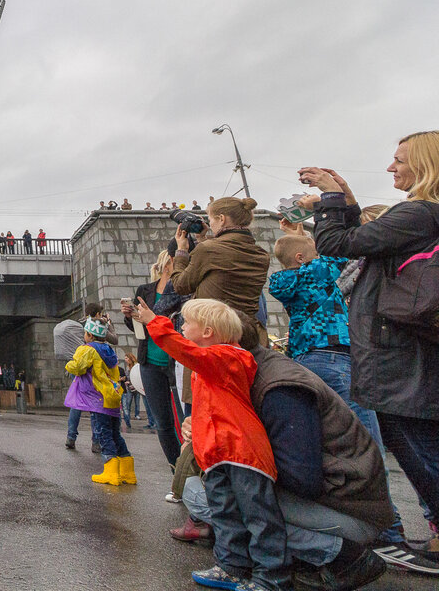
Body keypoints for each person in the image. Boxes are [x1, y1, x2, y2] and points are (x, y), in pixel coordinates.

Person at [175, 321, 395, 591]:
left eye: (189, 329)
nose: (183, 337)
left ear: (218, 340)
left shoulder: (279, 388)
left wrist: (230, 446)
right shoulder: (239, 374)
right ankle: (276, 558)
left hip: (350, 513)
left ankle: (343, 556)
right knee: (199, 490)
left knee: (212, 496)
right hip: (333, 501)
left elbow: (303, 478)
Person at [304, 131, 439, 568]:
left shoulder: (419, 213)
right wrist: (343, 200)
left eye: (399, 160)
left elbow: (336, 245)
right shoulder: (421, 218)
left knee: (420, 448)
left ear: (425, 164)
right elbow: (372, 237)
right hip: (407, 351)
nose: (391, 167)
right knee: (419, 446)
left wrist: (328, 196)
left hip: (401, 354)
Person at [138, 297, 291, 591]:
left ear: (208, 332)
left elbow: (185, 351)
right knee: (225, 513)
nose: (182, 327)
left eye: (187, 323)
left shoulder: (228, 357)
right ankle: (232, 566)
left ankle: (272, 579)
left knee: (259, 516)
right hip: (221, 453)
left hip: (241, 452)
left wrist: (153, 322)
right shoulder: (214, 362)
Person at [122, 250, 191, 468]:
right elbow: (137, 327)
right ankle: (177, 469)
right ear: (167, 263)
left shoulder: (185, 289)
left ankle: (192, 470)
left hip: (177, 360)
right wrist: (129, 315)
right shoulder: (145, 290)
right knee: (163, 422)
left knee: (185, 420)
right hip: (150, 361)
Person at [172, 196, 271, 341]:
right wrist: (202, 240)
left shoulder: (208, 250)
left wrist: (181, 252)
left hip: (214, 335)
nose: (210, 224)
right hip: (247, 333)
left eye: (211, 220)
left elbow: (180, 285)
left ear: (222, 219)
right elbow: (223, 269)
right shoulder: (261, 254)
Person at [65, 316, 134, 486]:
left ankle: (111, 473)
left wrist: (69, 364)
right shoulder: (109, 350)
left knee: (103, 434)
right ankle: (128, 472)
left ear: (89, 334)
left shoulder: (87, 349)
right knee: (115, 434)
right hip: (112, 396)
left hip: (97, 398)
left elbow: (78, 367)